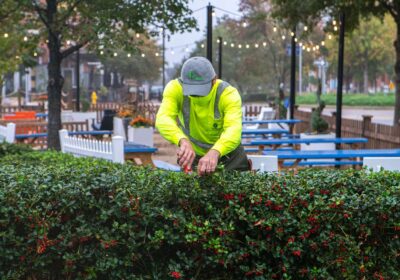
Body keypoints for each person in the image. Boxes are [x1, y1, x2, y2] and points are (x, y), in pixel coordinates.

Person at [156, 56, 249, 175]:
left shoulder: (228, 94)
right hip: (195, 158)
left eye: (201, 89)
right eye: (190, 88)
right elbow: (163, 119)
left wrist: (215, 151)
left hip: (230, 159)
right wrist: (183, 141)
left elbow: (233, 129)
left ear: (214, 80)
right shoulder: (174, 88)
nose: (195, 94)